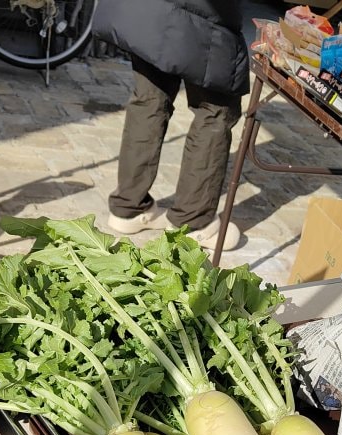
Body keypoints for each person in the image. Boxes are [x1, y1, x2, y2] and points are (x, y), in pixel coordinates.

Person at [94, 0, 248, 252]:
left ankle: (128, 207)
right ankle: (194, 223)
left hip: (152, 8)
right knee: (216, 112)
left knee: (149, 100)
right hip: (207, 16)